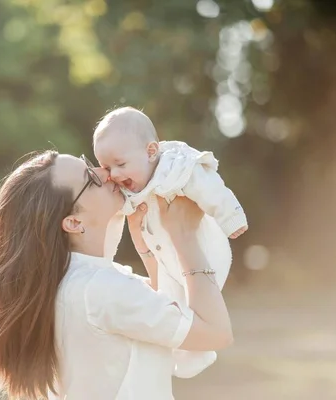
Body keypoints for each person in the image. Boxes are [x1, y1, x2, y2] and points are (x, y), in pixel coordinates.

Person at [0, 150, 233, 400]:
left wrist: (145, 246)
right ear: (74, 223)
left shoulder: (77, 282)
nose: (106, 171)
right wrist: (184, 236)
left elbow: (164, 309)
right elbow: (214, 332)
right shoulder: (100, 289)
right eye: (91, 177)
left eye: (90, 164)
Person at [94, 106, 246, 377]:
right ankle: (187, 358)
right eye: (107, 168)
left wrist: (230, 217)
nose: (114, 175)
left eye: (120, 164)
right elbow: (117, 221)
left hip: (203, 249)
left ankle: (193, 351)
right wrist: (111, 253)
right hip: (167, 259)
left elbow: (208, 185)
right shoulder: (131, 186)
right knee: (172, 304)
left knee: (190, 304)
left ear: (151, 152)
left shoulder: (176, 167)